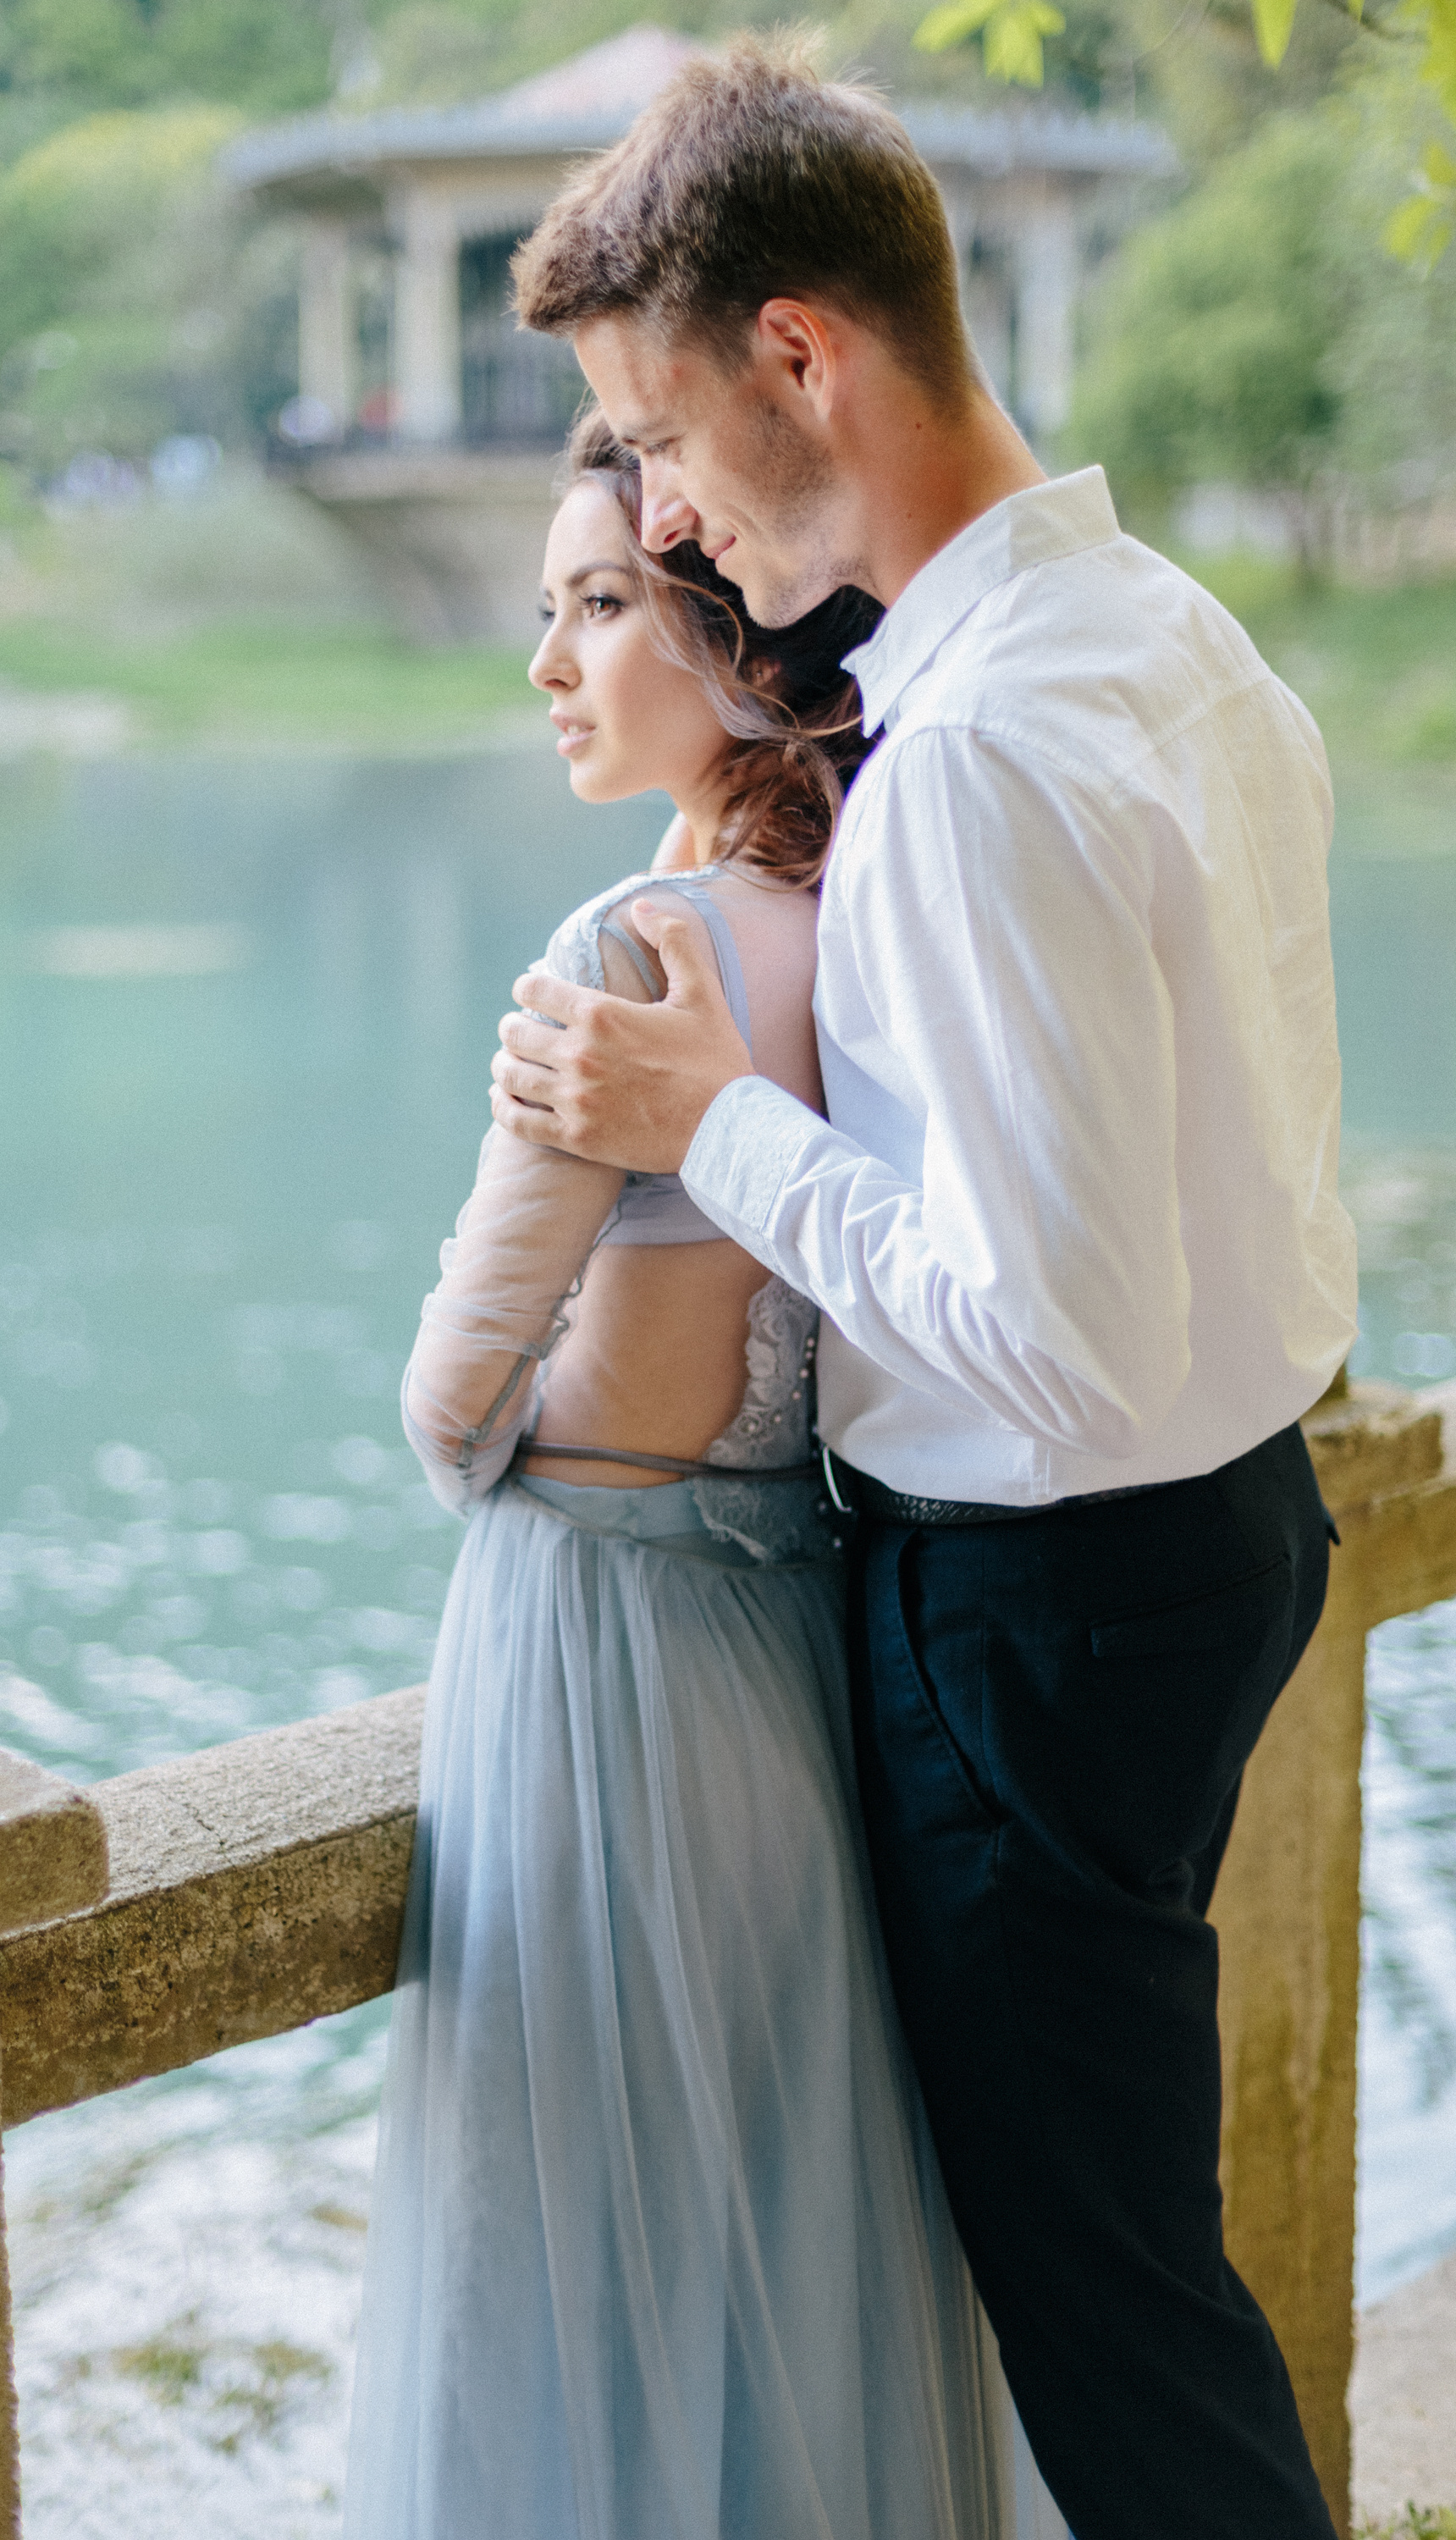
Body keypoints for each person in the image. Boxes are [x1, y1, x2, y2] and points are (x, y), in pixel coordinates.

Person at [494, 39, 1359, 2540]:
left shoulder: (972, 752)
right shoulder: (1163, 630)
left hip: (1043, 1598)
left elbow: (1035, 1322)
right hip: (1217, 1531)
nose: (648, 514)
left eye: (655, 435)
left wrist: (698, 1125)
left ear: (800, 354)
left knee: (1109, 2319)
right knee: (1134, 2264)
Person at [343, 410, 1066, 2539]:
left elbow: (452, 1400)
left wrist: (547, 1386)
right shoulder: (868, 920)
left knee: (572, 2230)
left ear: (724, 636)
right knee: (790, 2203)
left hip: (602, 1637)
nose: (550, 663)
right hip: (800, 1636)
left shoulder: (626, 950)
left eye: (593, 604)